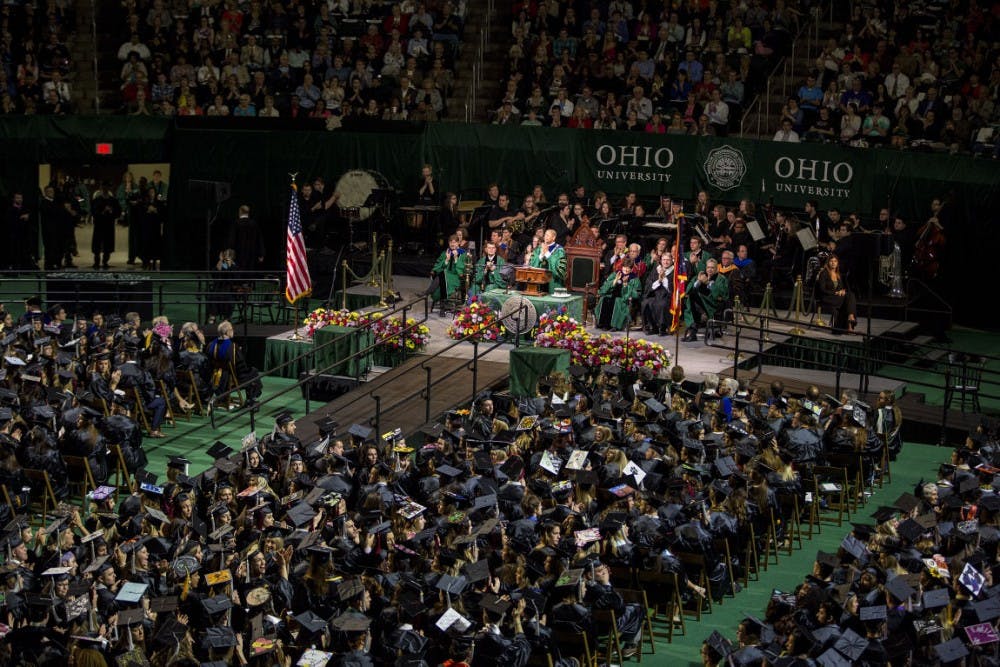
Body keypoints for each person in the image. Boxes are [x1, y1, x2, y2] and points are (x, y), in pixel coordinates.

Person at [206, 319, 263, 406]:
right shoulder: (232, 347)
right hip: (230, 379)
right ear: (227, 332)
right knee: (253, 372)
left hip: (215, 378)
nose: (233, 331)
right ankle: (251, 399)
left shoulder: (211, 344)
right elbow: (241, 367)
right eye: (231, 330)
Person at [682, 258, 728, 341]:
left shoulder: (721, 279)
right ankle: (700, 318)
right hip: (700, 305)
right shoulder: (700, 276)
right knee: (691, 297)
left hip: (713, 305)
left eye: (712, 268)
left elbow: (721, 296)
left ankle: (692, 331)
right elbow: (688, 290)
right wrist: (698, 281)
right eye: (708, 267)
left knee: (691, 302)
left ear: (717, 269)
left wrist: (708, 284)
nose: (709, 270)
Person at [422, 234, 468, 308]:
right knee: (442, 277)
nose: (452, 244)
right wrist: (447, 259)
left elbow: (462, 270)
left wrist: (456, 259)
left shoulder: (463, 254)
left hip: (456, 278)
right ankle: (443, 307)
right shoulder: (445, 253)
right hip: (445, 277)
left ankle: (427, 292)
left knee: (442, 276)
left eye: (454, 242)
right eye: (450, 242)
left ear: (458, 243)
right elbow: (438, 266)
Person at [595, 258, 641, 331]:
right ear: (622, 267)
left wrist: (625, 284)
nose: (626, 270)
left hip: (622, 299)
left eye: (628, 268)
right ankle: (602, 323)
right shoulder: (615, 274)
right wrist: (615, 281)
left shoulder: (634, 279)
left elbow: (636, 294)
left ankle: (614, 325)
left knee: (617, 302)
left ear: (631, 269)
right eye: (624, 267)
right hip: (611, 295)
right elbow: (603, 289)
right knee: (605, 299)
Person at [815, 254, 857, 333]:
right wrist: (836, 292)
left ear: (837, 263)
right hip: (826, 297)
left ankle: (850, 317)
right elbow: (822, 289)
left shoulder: (838, 274)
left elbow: (841, 288)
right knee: (847, 300)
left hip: (836, 297)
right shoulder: (824, 273)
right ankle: (850, 325)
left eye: (835, 261)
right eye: (831, 261)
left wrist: (842, 291)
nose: (833, 263)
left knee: (850, 295)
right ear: (828, 262)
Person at [641, 251, 675, 335]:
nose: (665, 262)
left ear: (672, 261)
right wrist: (659, 280)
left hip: (667, 296)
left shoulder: (674, 272)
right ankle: (653, 327)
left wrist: (664, 279)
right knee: (645, 303)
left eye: (668, 260)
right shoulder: (656, 270)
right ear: (661, 260)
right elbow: (649, 284)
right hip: (655, 294)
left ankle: (663, 328)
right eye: (664, 260)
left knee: (661, 304)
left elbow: (673, 288)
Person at [90, 181, 121, 269]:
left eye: (107, 188)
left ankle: (105, 262)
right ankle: (96, 261)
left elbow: (118, 212)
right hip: (99, 225)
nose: (105, 190)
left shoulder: (113, 200)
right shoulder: (96, 200)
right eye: (104, 188)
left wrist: (111, 212)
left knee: (108, 245)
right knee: (97, 244)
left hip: (109, 225)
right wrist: (103, 212)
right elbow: (94, 212)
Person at [227, 204, 265, 272]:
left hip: (238, 254)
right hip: (252, 254)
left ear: (240, 212)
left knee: (239, 272)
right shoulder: (254, 224)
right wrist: (261, 254)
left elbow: (232, 240)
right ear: (248, 212)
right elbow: (259, 240)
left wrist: (230, 251)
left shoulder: (236, 224)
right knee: (250, 272)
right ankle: (249, 282)